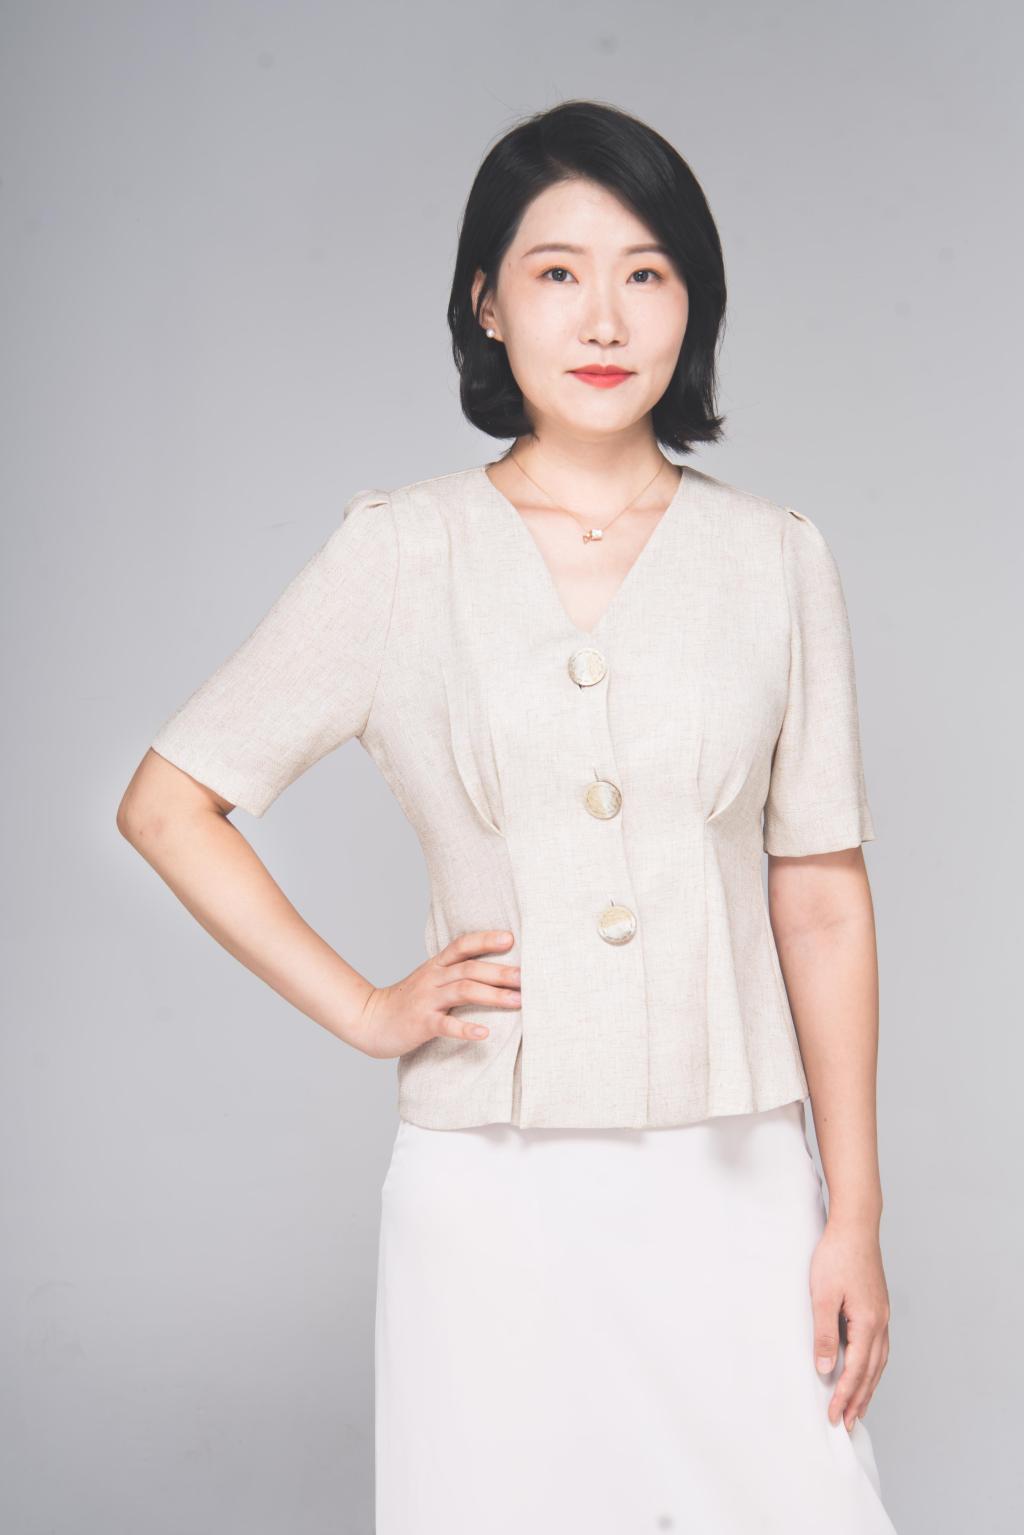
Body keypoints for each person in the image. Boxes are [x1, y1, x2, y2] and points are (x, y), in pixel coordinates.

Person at [118, 99, 898, 1533]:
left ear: (693, 303)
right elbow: (171, 805)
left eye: (647, 271)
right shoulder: (400, 553)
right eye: (555, 271)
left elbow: (823, 898)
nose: (603, 316)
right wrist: (368, 1010)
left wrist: (854, 1210)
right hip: (492, 1183)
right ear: (486, 301)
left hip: (736, 1176)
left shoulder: (776, 561)